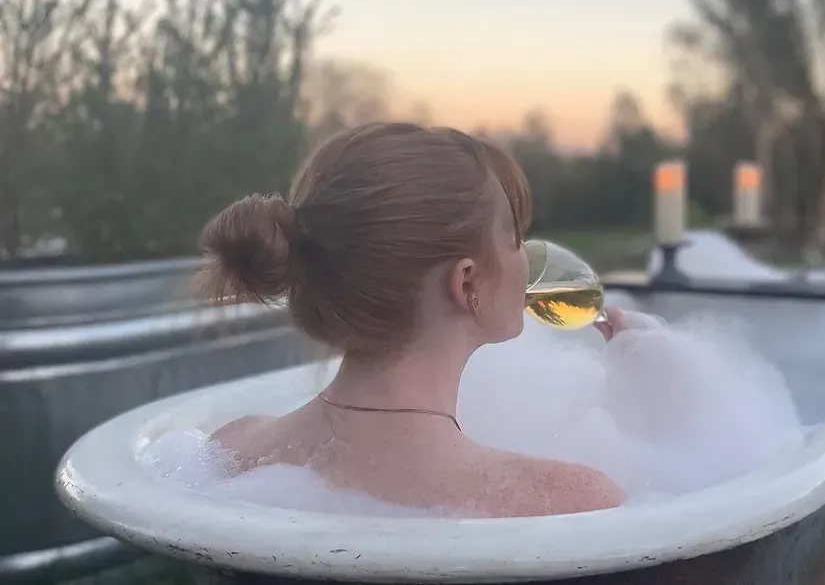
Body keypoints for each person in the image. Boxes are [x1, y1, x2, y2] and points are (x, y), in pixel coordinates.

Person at [198, 122, 635, 517]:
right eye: (515, 238)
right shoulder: (572, 502)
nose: (527, 256)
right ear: (466, 282)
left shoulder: (228, 450)